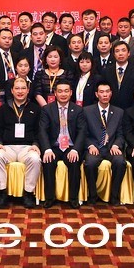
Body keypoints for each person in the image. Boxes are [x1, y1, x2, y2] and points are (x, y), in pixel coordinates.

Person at [0, 77, 42, 209]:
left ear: (28, 90)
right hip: (7, 147)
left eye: (23, 88)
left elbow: (39, 131)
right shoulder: (3, 108)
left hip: (27, 147)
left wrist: (36, 144)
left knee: (35, 159)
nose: (20, 91)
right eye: (17, 88)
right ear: (12, 91)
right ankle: (2, 193)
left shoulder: (36, 109)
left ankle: (28, 193)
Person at [38, 81, 85, 209]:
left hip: (71, 146)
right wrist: (47, 149)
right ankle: (49, 198)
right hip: (54, 146)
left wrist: (76, 150)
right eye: (60, 91)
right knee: (48, 161)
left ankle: (73, 198)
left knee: (74, 161)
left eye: (66, 91)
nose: (63, 94)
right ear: (55, 93)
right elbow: (42, 131)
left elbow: (82, 131)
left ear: (71, 93)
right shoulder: (47, 109)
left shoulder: (78, 110)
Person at [83, 81, 126, 206]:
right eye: (102, 92)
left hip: (111, 147)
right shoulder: (87, 111)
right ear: (97, 94)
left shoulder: (119, 112)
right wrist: (90, 145)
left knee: (120, 162)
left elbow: (121, 134)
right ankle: (92, 195)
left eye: (107, 91)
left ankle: (114, 196)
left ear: (111, 93)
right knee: (90, 163)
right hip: (95, 147)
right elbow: (83, 133)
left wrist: (116, 145)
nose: (105, 95)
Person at [103, 41, 134, 110]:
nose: (120, 53)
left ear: (128, 53)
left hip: (130, 109)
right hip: (111, 109)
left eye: (123, 50)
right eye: (117, 51)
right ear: (114, 54)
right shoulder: (106, 71)